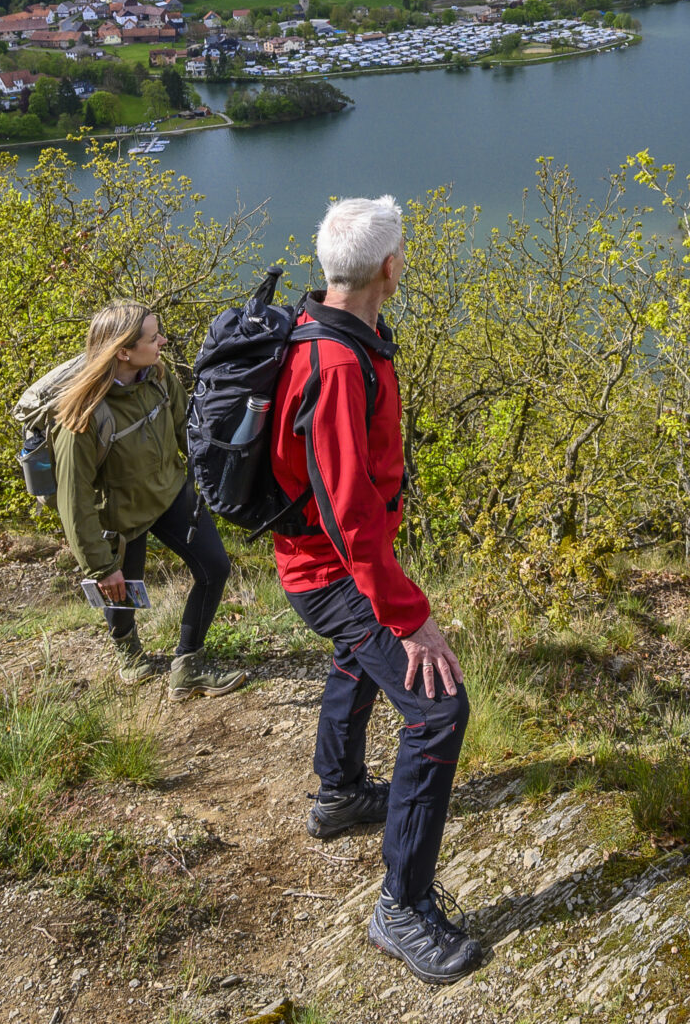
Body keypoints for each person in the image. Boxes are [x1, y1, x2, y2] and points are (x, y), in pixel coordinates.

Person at [271, 196, 483, 985]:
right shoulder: (333, 363)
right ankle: (402, 906)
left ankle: (339, 793)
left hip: (325, 562)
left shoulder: (333, 327)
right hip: (332, 570)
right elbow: (347, 510)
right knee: (438, 709)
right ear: (390, 267)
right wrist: (409, 615)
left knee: (358, 656)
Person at [52, 300, 246, 699]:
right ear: (123, 351)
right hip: (120, 516)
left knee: (214, 568)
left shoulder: (158, 376)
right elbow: (74, 501)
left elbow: (186, 430)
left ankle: (188, 664)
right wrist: (100, 567)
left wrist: (220, 478)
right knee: (121, 589)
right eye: (153, 337)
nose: (163, 341)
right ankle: (127, 648)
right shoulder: (82, 418)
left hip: (168, 491)